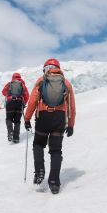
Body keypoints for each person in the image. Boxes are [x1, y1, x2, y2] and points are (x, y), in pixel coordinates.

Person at [24, 58, 76, 194]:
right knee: (56, 151)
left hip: (43, 117)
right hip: (59, 119)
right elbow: (71, 107)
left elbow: (32, 102)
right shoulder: (66, 83)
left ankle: (39, 170)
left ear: (46, 68)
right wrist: (70, 124)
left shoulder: (41, 81)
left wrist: (27, 118)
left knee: (38, 145)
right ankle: (54, 182)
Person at [2, 73, 29, 143]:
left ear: (13, 77)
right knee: (17, 121)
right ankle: (16, 138)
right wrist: (23, 103)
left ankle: (10, 132)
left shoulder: (10, 83)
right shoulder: (22, 84)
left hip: (10, 103)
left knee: (9, 119)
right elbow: (27, 95)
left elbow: (3, 92)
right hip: (19, 103)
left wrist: (9, 95)